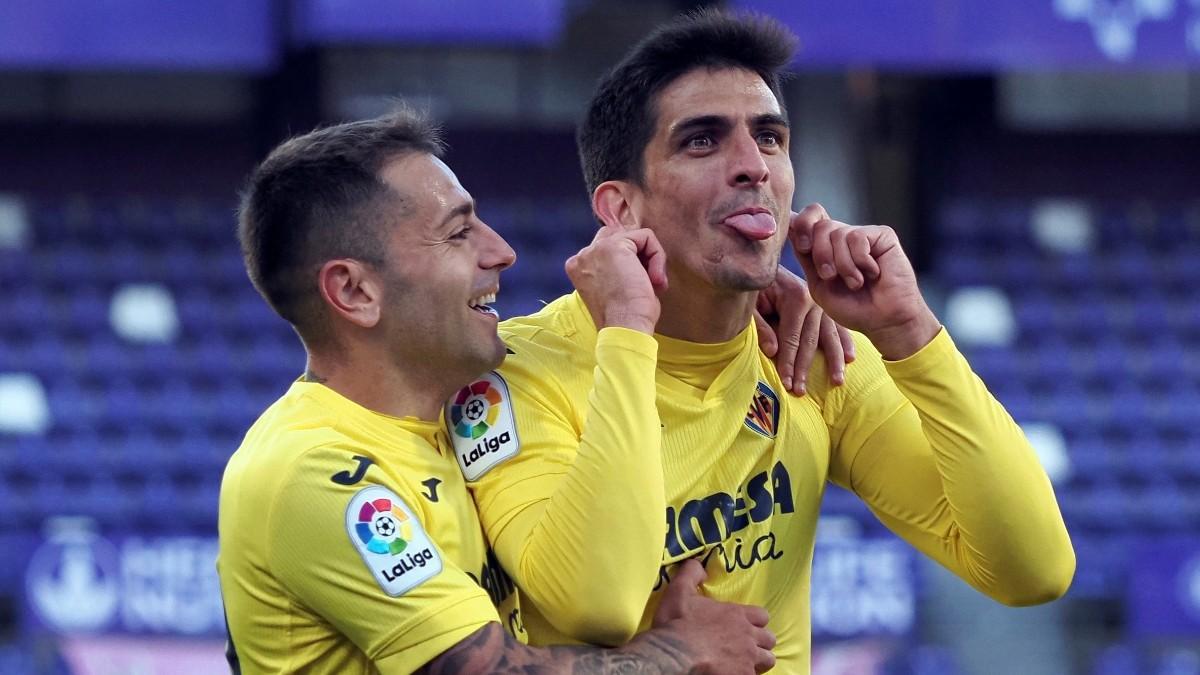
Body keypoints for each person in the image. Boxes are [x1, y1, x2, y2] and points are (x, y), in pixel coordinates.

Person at [452, 9, 1076, 672]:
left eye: (771, 138)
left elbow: (1033, 568)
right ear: (621, 209)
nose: (752, 166)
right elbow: (594, 603)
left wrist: (910, 335)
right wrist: (628, 335)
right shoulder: (514, 374)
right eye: (702, 141)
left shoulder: (811, 351)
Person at [217, 108, 781, 674]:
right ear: (355, 290)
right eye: (458, 232)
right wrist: (679, 656)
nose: (501, 251)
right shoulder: (313, 470)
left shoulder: (458, 414)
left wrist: (741, 299)